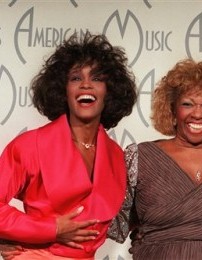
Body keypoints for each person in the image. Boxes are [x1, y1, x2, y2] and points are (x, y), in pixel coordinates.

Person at [0, 31, 137, 259]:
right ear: (63, 90)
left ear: (109, 91)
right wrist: (51, 229)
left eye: (96, 78)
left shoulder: (116, 155)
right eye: (75, 78)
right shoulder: (30, 145)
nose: (86, 85)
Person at [107, 58, 202, 259]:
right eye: (187, 104)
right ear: (172, 110)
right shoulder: (140, 156)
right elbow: (114, 223)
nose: (197, 114)